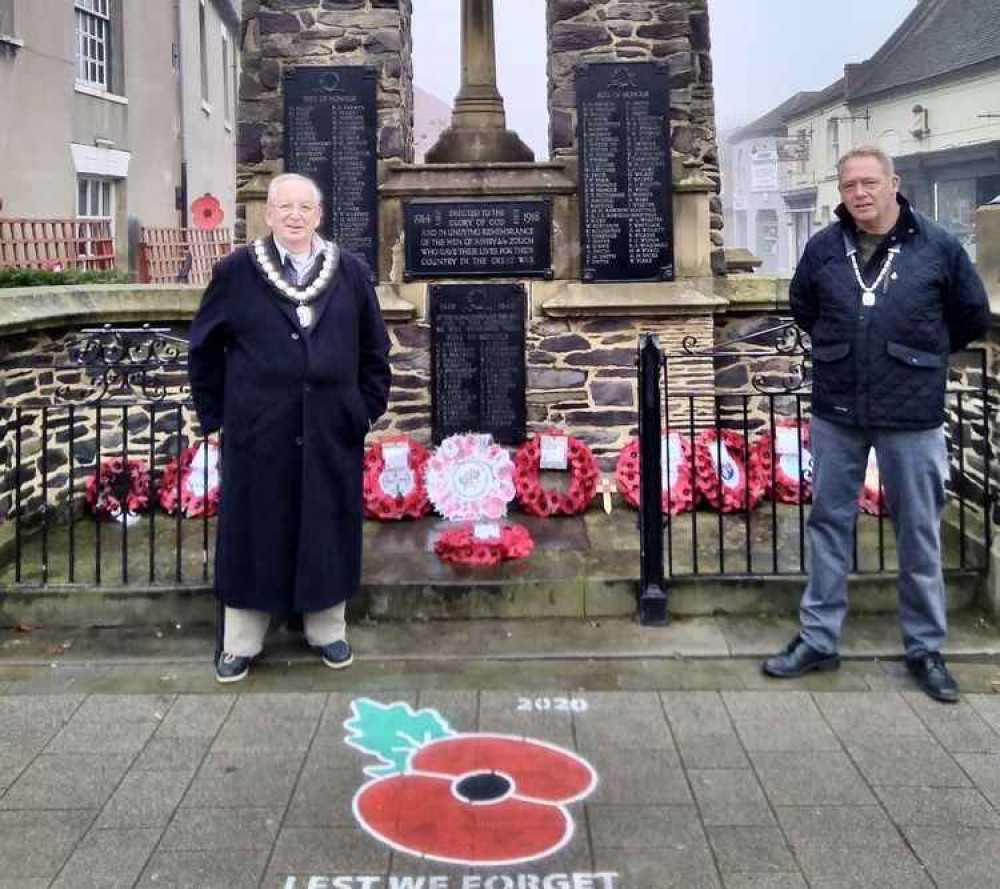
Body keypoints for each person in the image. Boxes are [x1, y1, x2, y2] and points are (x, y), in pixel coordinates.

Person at [762, 146, 991, 703]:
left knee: (918, 530)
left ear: (894, 183)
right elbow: (804, 307)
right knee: (828, 523)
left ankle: (926, 648)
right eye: (849, 186)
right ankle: (819, 639)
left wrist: (920, 356)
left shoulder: (937, 246)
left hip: (911, 412)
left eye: (869, 182)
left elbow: (970, 316)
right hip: (839, 407)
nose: (859, 194)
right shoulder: (824, 247)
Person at [188, 172, 391, 683]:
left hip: (329, 430)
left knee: (326, 524)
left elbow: (375, 349)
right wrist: (215, 418)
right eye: (285, 207)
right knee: (255, 529)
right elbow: (205, 349)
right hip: (258, 431)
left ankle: (327, 629)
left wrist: (362, 410)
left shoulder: (350, 271)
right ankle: (242, 641)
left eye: (305, 207)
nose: (295, 215)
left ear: (318, 214)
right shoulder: (235, 272)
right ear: (269, 214)